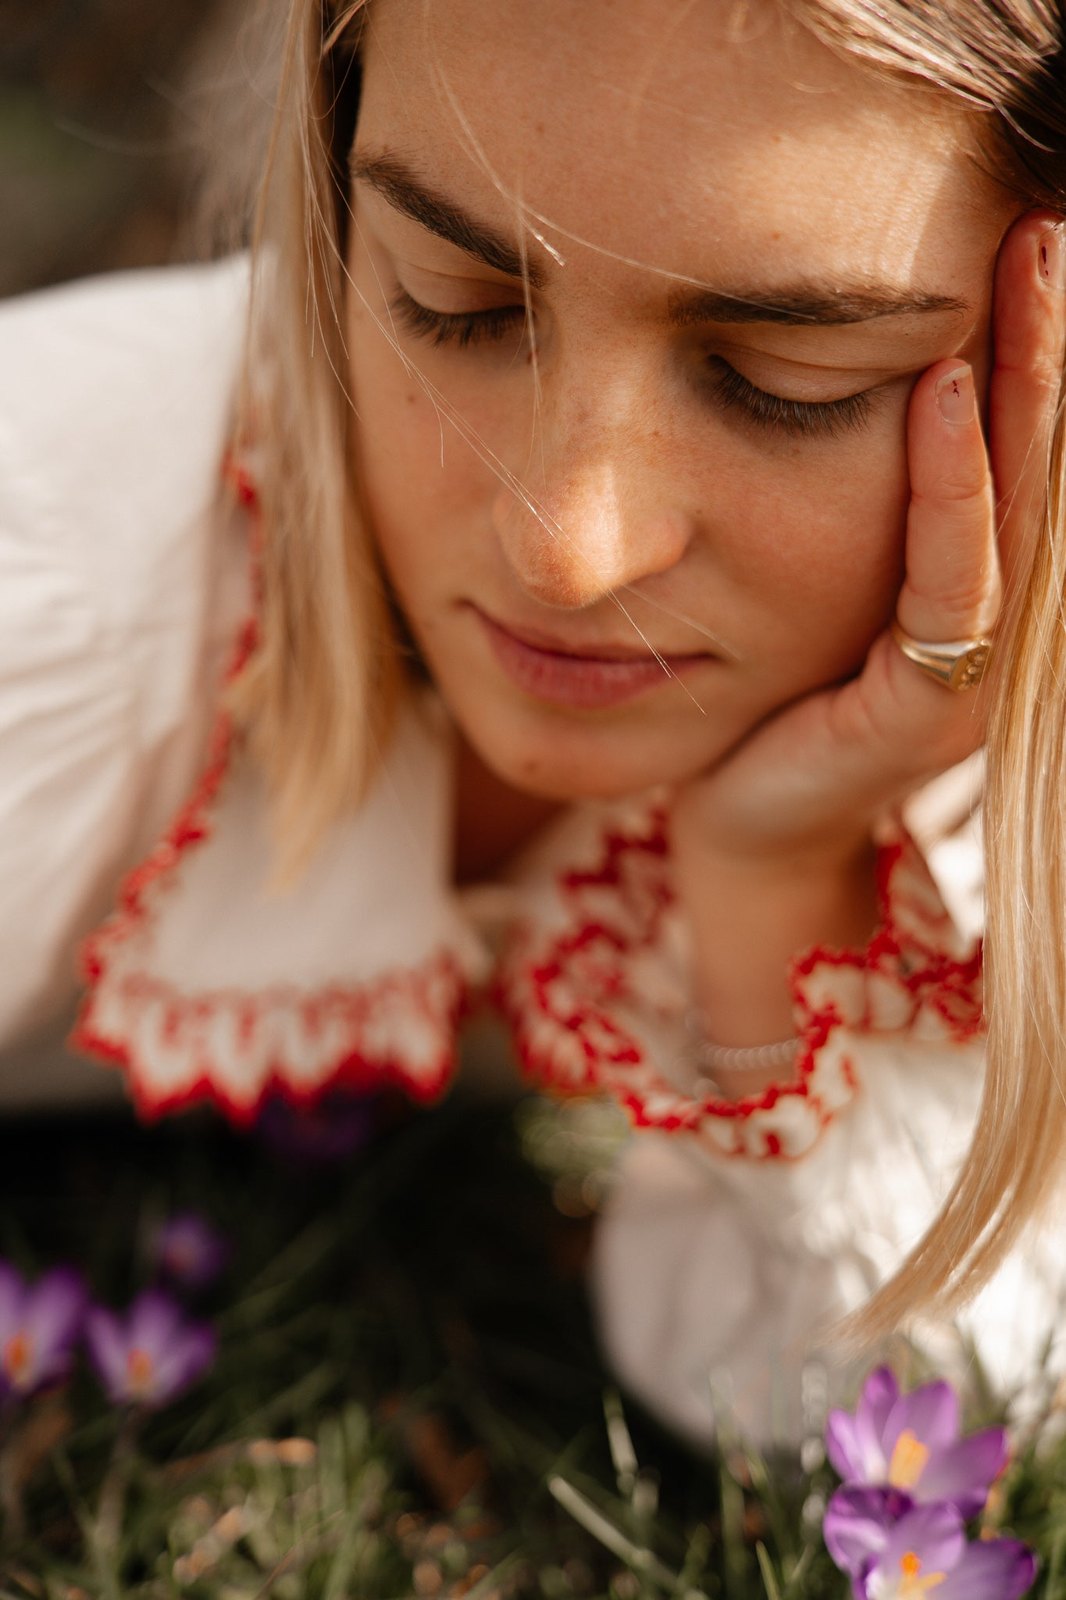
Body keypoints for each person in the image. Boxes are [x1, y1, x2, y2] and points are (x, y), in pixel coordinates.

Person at [1, 0, 1064, 1444]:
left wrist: (778, 886)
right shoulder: (53, 588)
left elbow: (907, 1417)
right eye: (459, 303)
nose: (565, 551)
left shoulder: (951, 708)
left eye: (787, 383)